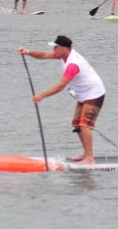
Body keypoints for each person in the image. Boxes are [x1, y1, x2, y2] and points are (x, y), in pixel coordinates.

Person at [18, 35, 105, 165]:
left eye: (56, 47)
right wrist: (28, 52)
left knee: (84, 124)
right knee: (76, 125)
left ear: (64, 48)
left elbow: (60, 86)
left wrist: (41, 95)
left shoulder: (73, 65)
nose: (54, 49)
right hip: (83, 94)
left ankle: (90, 158)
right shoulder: (63, 55)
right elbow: (43, 55)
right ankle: (86, 153)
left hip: (94, 93)